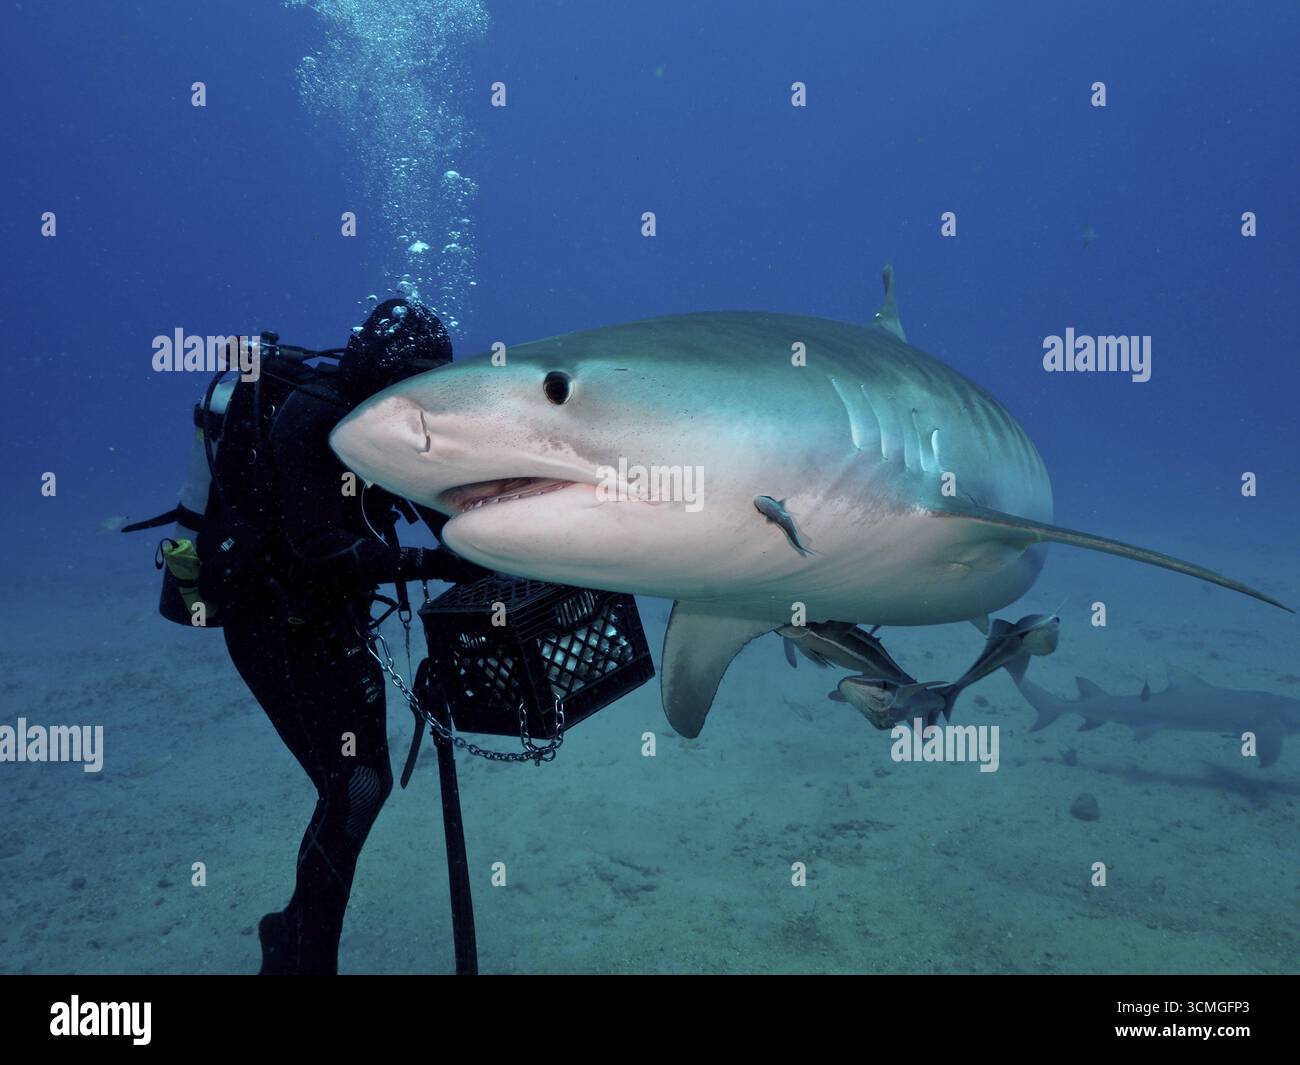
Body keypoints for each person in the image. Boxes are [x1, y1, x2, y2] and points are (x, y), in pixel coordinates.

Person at [206, 298, 487, 975]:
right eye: (408, 381)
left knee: (365, 783)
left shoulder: (391, 426)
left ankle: (295, 929)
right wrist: (432, 563)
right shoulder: (313, 419)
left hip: (331, 622)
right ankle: (304, 955)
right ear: (377, 375)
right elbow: (318, 553)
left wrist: (501, 541)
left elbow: (437, 508)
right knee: (355, 784)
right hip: (273, 624)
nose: (415, 398)